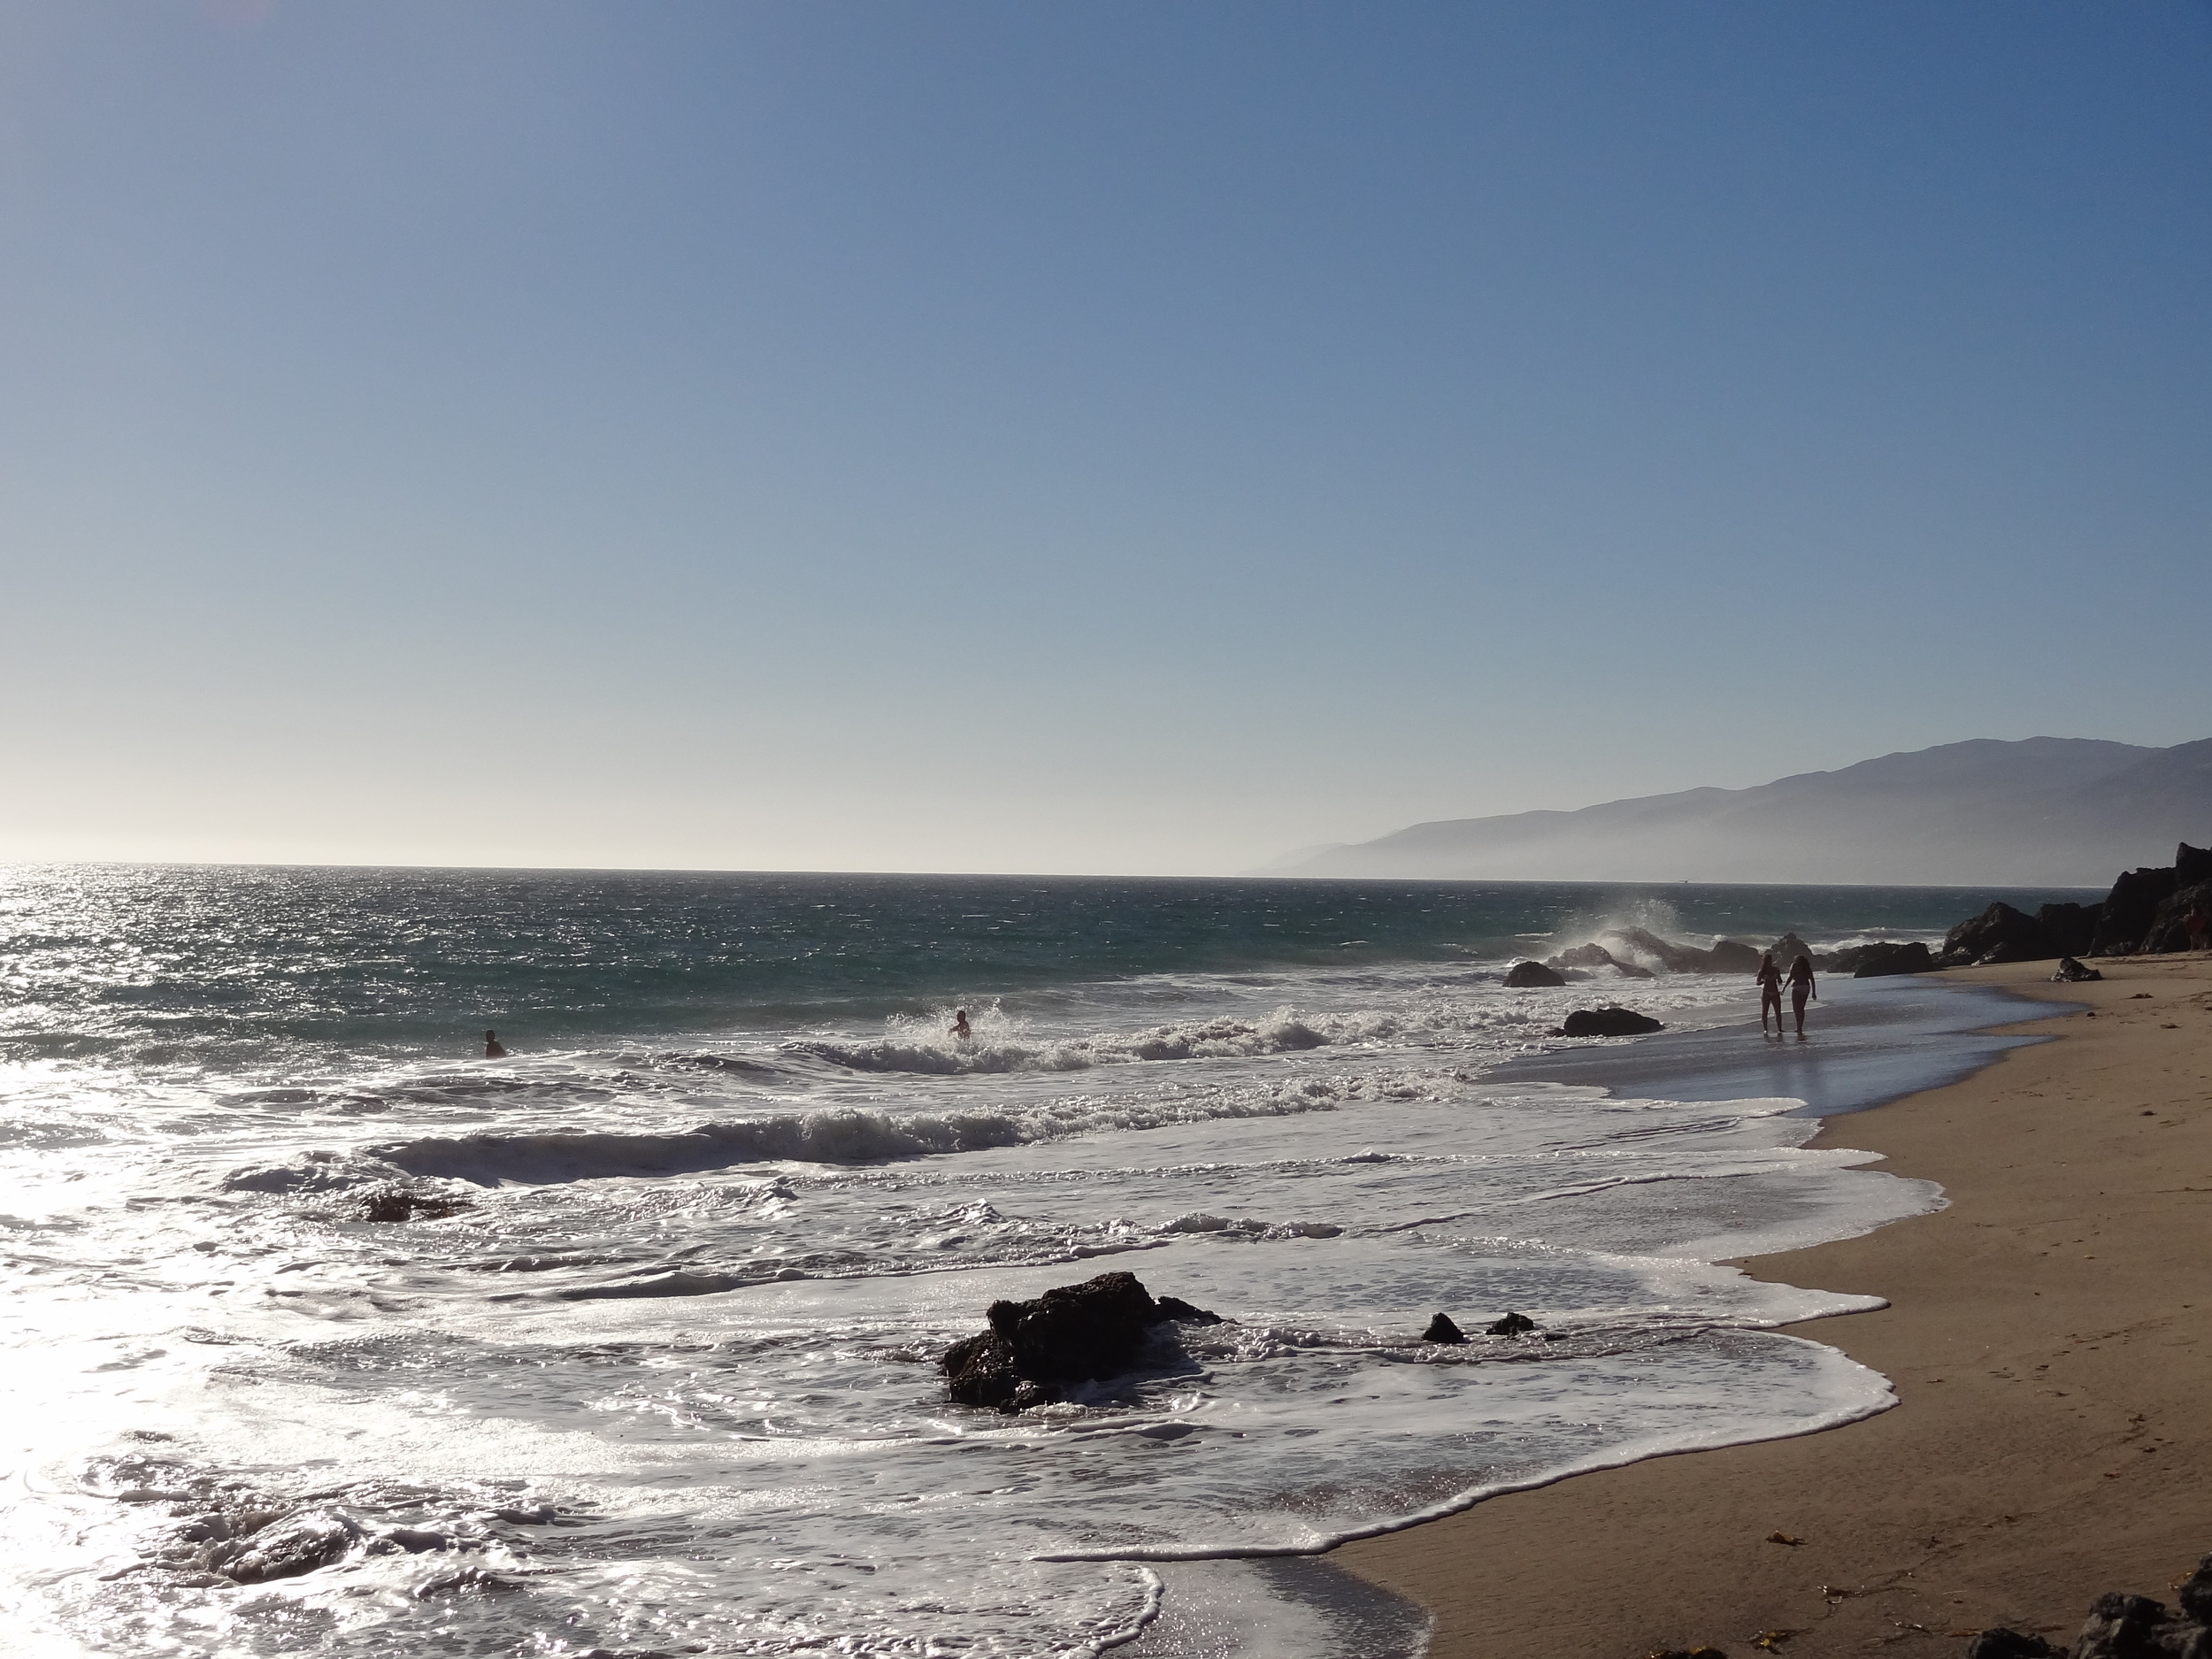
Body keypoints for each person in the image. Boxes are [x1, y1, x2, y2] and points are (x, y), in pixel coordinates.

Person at [1787, 953, 1817, 1038]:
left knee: (1796, 1009)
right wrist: (1814, 992)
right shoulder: (1807, 968)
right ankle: (1800, 1026)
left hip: (1796, 987)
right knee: (1801, 1008)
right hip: (1806, 987)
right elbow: (1812, 980)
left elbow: (1790, 977)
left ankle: (1798, 1027)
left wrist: (1784, 987)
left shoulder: (1794, 965)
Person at [1755, 951, 1784, 1034]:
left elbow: (1780, 981)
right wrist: (1764, 981)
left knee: (1778, 1011)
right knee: (1765, 1011)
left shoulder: (1776, 969)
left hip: (1775, 992)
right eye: (1768, 960)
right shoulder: (1762, 971)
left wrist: (1777, 978)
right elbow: (1757, 982)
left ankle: (1779, 1028)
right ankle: (1765, 1029)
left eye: (1770, 960)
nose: (1770, 962)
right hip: (1766, 992)